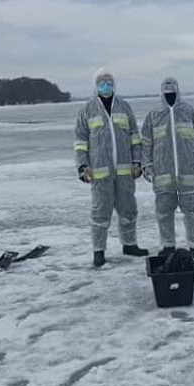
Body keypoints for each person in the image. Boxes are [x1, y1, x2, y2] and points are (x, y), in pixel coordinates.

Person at [73, 69, 148, 267]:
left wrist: (137, 162)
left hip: (124, 172)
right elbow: (80, 141)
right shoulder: (87, 110)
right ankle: (99, 251)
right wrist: (82, 166)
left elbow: (134, 136)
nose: (106, 85)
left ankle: (129, 244)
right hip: (100, 173)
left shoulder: (124, 107)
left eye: (109, 81)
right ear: (95, 85)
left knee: (129, 210)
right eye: (101, 82)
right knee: (100, 213)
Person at [140, 77, 194, 257]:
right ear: (162, 93)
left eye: (172, 91)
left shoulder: (189, 112)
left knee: (193, 212)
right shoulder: (154, 115)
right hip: (163, 175)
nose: (169, 94)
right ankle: (168, 245)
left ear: (178, 91)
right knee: (164, 212)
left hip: (189, 173)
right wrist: (146, 164)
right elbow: (146, 143)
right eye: (166, 92)